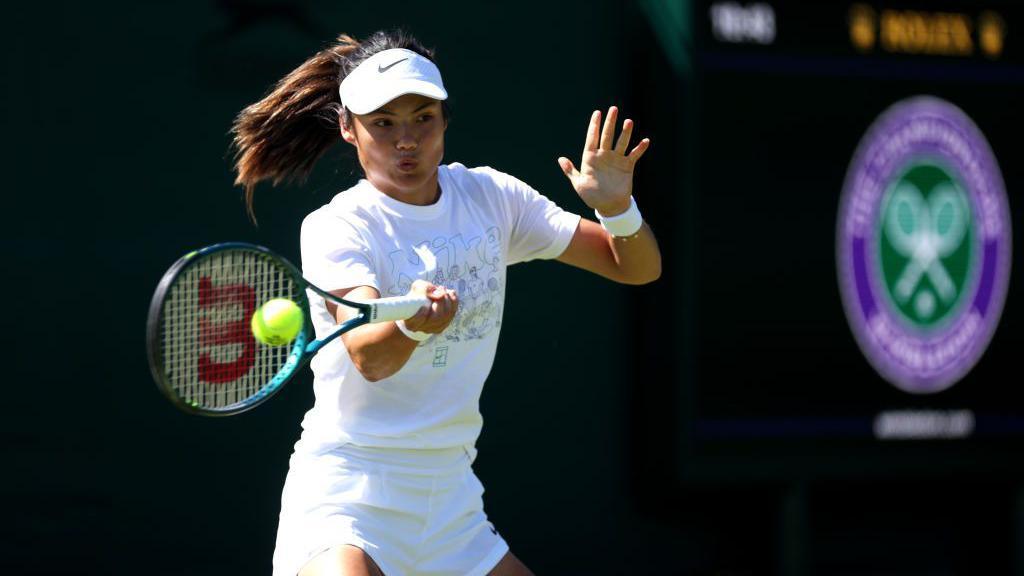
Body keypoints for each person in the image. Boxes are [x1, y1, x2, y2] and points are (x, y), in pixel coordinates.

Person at [231, 30, 660, 576]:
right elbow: (369, 355)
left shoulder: (493, 198)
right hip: (349, 499)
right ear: (347, 128)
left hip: (452, 502)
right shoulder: (338, 226)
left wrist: (617, 208)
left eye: (422, 118)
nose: (405, 140)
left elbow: (637, 267)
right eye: (383, 123)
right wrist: (412, 327)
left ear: (445, 120)